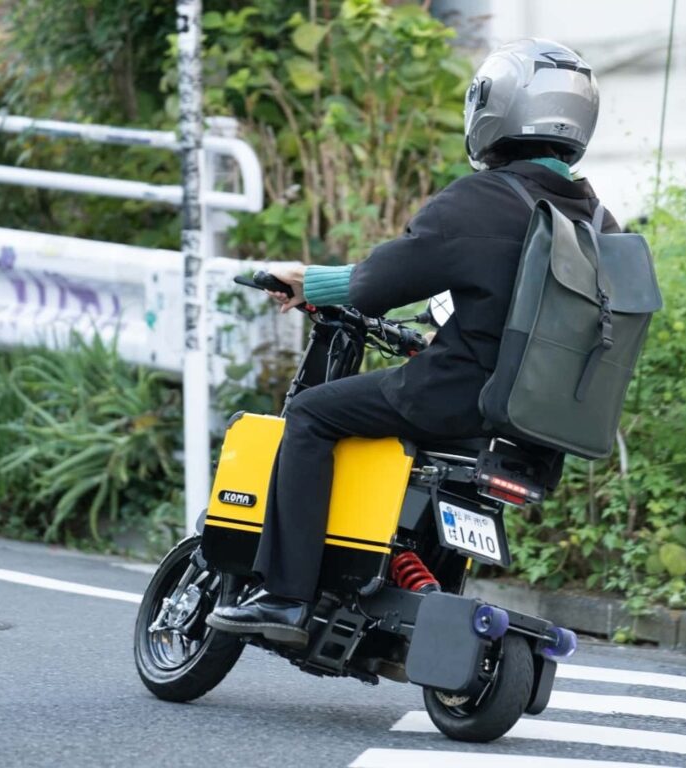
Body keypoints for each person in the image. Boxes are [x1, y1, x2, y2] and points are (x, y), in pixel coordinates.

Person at [207, 38, 618, 643]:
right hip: (529, 421)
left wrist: (311, 282)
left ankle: (286, 597)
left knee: (313, 414)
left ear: (495, 108)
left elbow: (378, 283)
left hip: (453, 398)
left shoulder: (484, 200)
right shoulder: (600, 220)